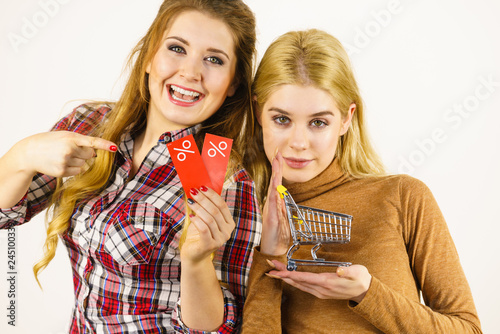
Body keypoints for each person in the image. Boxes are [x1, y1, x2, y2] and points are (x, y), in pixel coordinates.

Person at [0, 0, 262, 333]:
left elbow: (220, 328)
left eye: (214, 59)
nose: (190, 72)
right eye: (177, 48)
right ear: (150, 56)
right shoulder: (90, 124)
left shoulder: (224, 177)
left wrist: (197, 263)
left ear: (233, 84)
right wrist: (21, 155)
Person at [241, 29, 482, 333]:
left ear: (346, 119)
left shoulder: (403, 196)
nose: (298, 142)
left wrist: (368, 293)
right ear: (258, 112)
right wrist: (269, 256)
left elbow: (468, 328)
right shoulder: (242, 213)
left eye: (318, 122)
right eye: (282, 119)